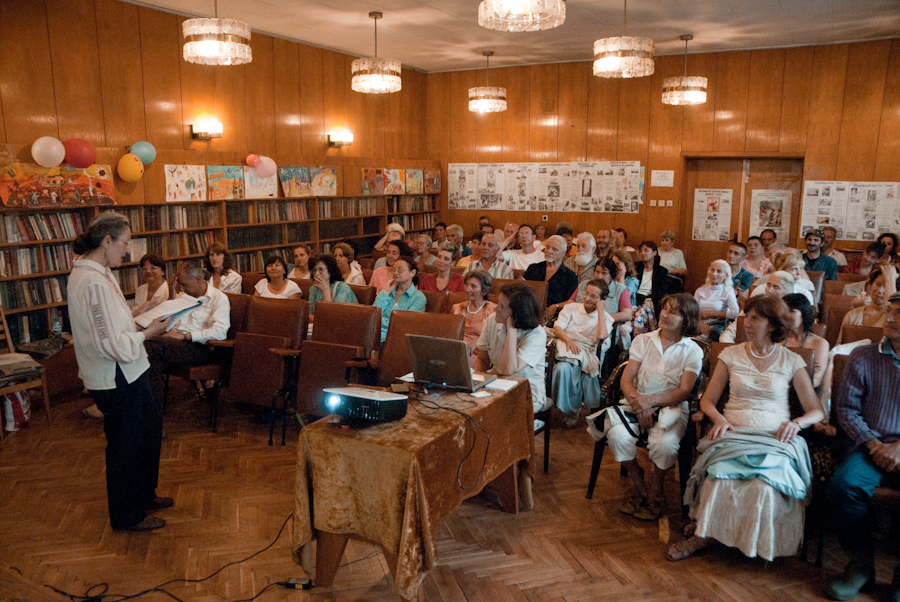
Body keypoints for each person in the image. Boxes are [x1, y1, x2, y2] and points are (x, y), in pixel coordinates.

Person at [668, 295, 824, 561]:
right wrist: (719, 419)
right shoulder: (730, 354)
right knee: (721, 478)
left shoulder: (791, 360)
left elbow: (816, 410)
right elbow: (707, 401)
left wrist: (796, 423)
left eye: (755, 318)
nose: (747, 323)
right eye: (746, 317)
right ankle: (705, 535)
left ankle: (755, 541)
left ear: (773, 325)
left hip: (775, 438)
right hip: (733, 434)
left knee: (764, 486)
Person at [68, 212, 172, 532]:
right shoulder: (92, 280)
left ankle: (143, 493)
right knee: (125, 443)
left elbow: (112, 320)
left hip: (129, 368)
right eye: (126, 242)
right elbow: (110, 343)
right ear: (107, 241)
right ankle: (126, 515)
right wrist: (149, 332)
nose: (128, 251)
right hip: (114, 374)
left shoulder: (101, 272)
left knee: (149, 428)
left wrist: (138, 312)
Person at [595, 294, 703, 521]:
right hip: (635, 402)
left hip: (672, 407)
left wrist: (650, 402)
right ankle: (640, 483)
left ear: (686, 319)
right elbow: (626, 380)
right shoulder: (643, 340)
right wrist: (641, 404)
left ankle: (656, 489)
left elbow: (684, 391)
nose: (664, 314)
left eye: (673, 312)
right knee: (616, 435)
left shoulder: (692, 350)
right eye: (665, 308)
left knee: (665, 445)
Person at [825, 292, 900, 601]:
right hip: (870, 446)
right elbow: (846, 410)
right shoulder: (863, 356)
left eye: (899, 313)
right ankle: (861, 564)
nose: (890, 318)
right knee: (843, 486)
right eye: (890, 310)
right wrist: (873, 444)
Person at [144, 260, 230, 411]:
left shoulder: (218, 299)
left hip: (199, 348)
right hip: (174, 344)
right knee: (148, 357)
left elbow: (220, 332)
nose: (182, 289)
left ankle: (147, 412)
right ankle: (152, 413)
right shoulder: (183, 296)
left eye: (185, 284)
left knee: (149, 346)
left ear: (198, 279)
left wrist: (185, 336)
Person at [474, 283, 549, 426]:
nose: (496, 309)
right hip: (495, 384)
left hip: (525, 391)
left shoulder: (537, 334)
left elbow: (509, 370)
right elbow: (482, 359)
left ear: (517, 313)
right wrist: (475, 382)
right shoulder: (492, 320)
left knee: (493, 418)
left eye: (502, 306)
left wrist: (512, 330)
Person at [552, 279, 612, 427]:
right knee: (562, 368)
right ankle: (565, 407)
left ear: (602, 300)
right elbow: (558, 328)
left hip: (585, 350)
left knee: (565, 369)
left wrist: (600, 310)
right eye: (586, 293)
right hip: (565, 343)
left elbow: (601, 336)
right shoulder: (571, 308)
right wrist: (568, 341)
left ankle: (572, 409)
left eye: (593, 296)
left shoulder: (606, 318)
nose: (587, 298)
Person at [720, 270, 795, 343]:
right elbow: (728, 334)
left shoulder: (794, 313)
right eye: (768, 285)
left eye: (776, 287)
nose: (769, 290)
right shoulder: (753, 307)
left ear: (788, 292)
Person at [837, 265, 898, 344]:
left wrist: (890, 279)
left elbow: (891, 305)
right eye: (877, 284)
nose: (880, 290)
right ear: (870, 286)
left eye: (886, 286)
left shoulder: (893, 320)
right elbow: (839, 346)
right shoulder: (852, 315)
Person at [524, 235, 578, 321]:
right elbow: (523, 291)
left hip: (554, 317)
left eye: (554, 249)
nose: (549, 251)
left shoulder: (570, 276)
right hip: (529, 312)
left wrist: (556, 306)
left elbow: (571, 302)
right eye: (547, 247)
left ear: (563, 253)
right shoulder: (533, 268)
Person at [373, 256, 426, 342]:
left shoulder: (418, 298)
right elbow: (374, 313)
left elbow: (403, 323)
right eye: (394, 269)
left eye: (400, 270)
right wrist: (386, 291)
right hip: (375, 334)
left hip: (397, 338)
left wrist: (380, 322)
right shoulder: (387, 291)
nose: (395, 273)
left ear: (412, 273)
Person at [451, 270, 497, 367]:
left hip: (479, 353)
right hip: (456, 350)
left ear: (484, 291)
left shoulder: (493, 310)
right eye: (467, 285)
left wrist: (477, 342)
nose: (467, 289)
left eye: (473, 286)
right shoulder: (457, 308)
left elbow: (496, 338)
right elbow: (450, 334)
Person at [783, 294, 829, 388]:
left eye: (791, 311)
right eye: (783, 311)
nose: (785, 316)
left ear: (804, 313)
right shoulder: (775, 340)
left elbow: (815, 380)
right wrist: (804, 368)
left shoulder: (820, 343)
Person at [694, 259, 740, 342]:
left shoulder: (728, 292)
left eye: (719, 271)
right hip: (698, 322)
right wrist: (700, 323)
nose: (714, 274)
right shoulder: (700, 290)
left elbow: (735, 313)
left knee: (712, 332)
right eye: (712, 270)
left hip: (718, 323)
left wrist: (710, 313)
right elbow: (692, 310)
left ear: (726, 275)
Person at [308, 253, 358, 322]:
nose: (316, 273)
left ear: (330, 270)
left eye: (320, 269)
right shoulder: (314, 288)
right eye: (314, 270)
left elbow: (332, 317)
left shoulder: (342, 288)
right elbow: (309, 314)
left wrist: (326, 290)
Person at [634, 240, 670, 316]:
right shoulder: (635, 267)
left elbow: (661, 291)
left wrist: (648, 300)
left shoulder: (661, 271)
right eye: (641, 251)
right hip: (635, 298)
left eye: (646, 250)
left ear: (654, 253)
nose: (642, 253)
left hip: (651, 300)